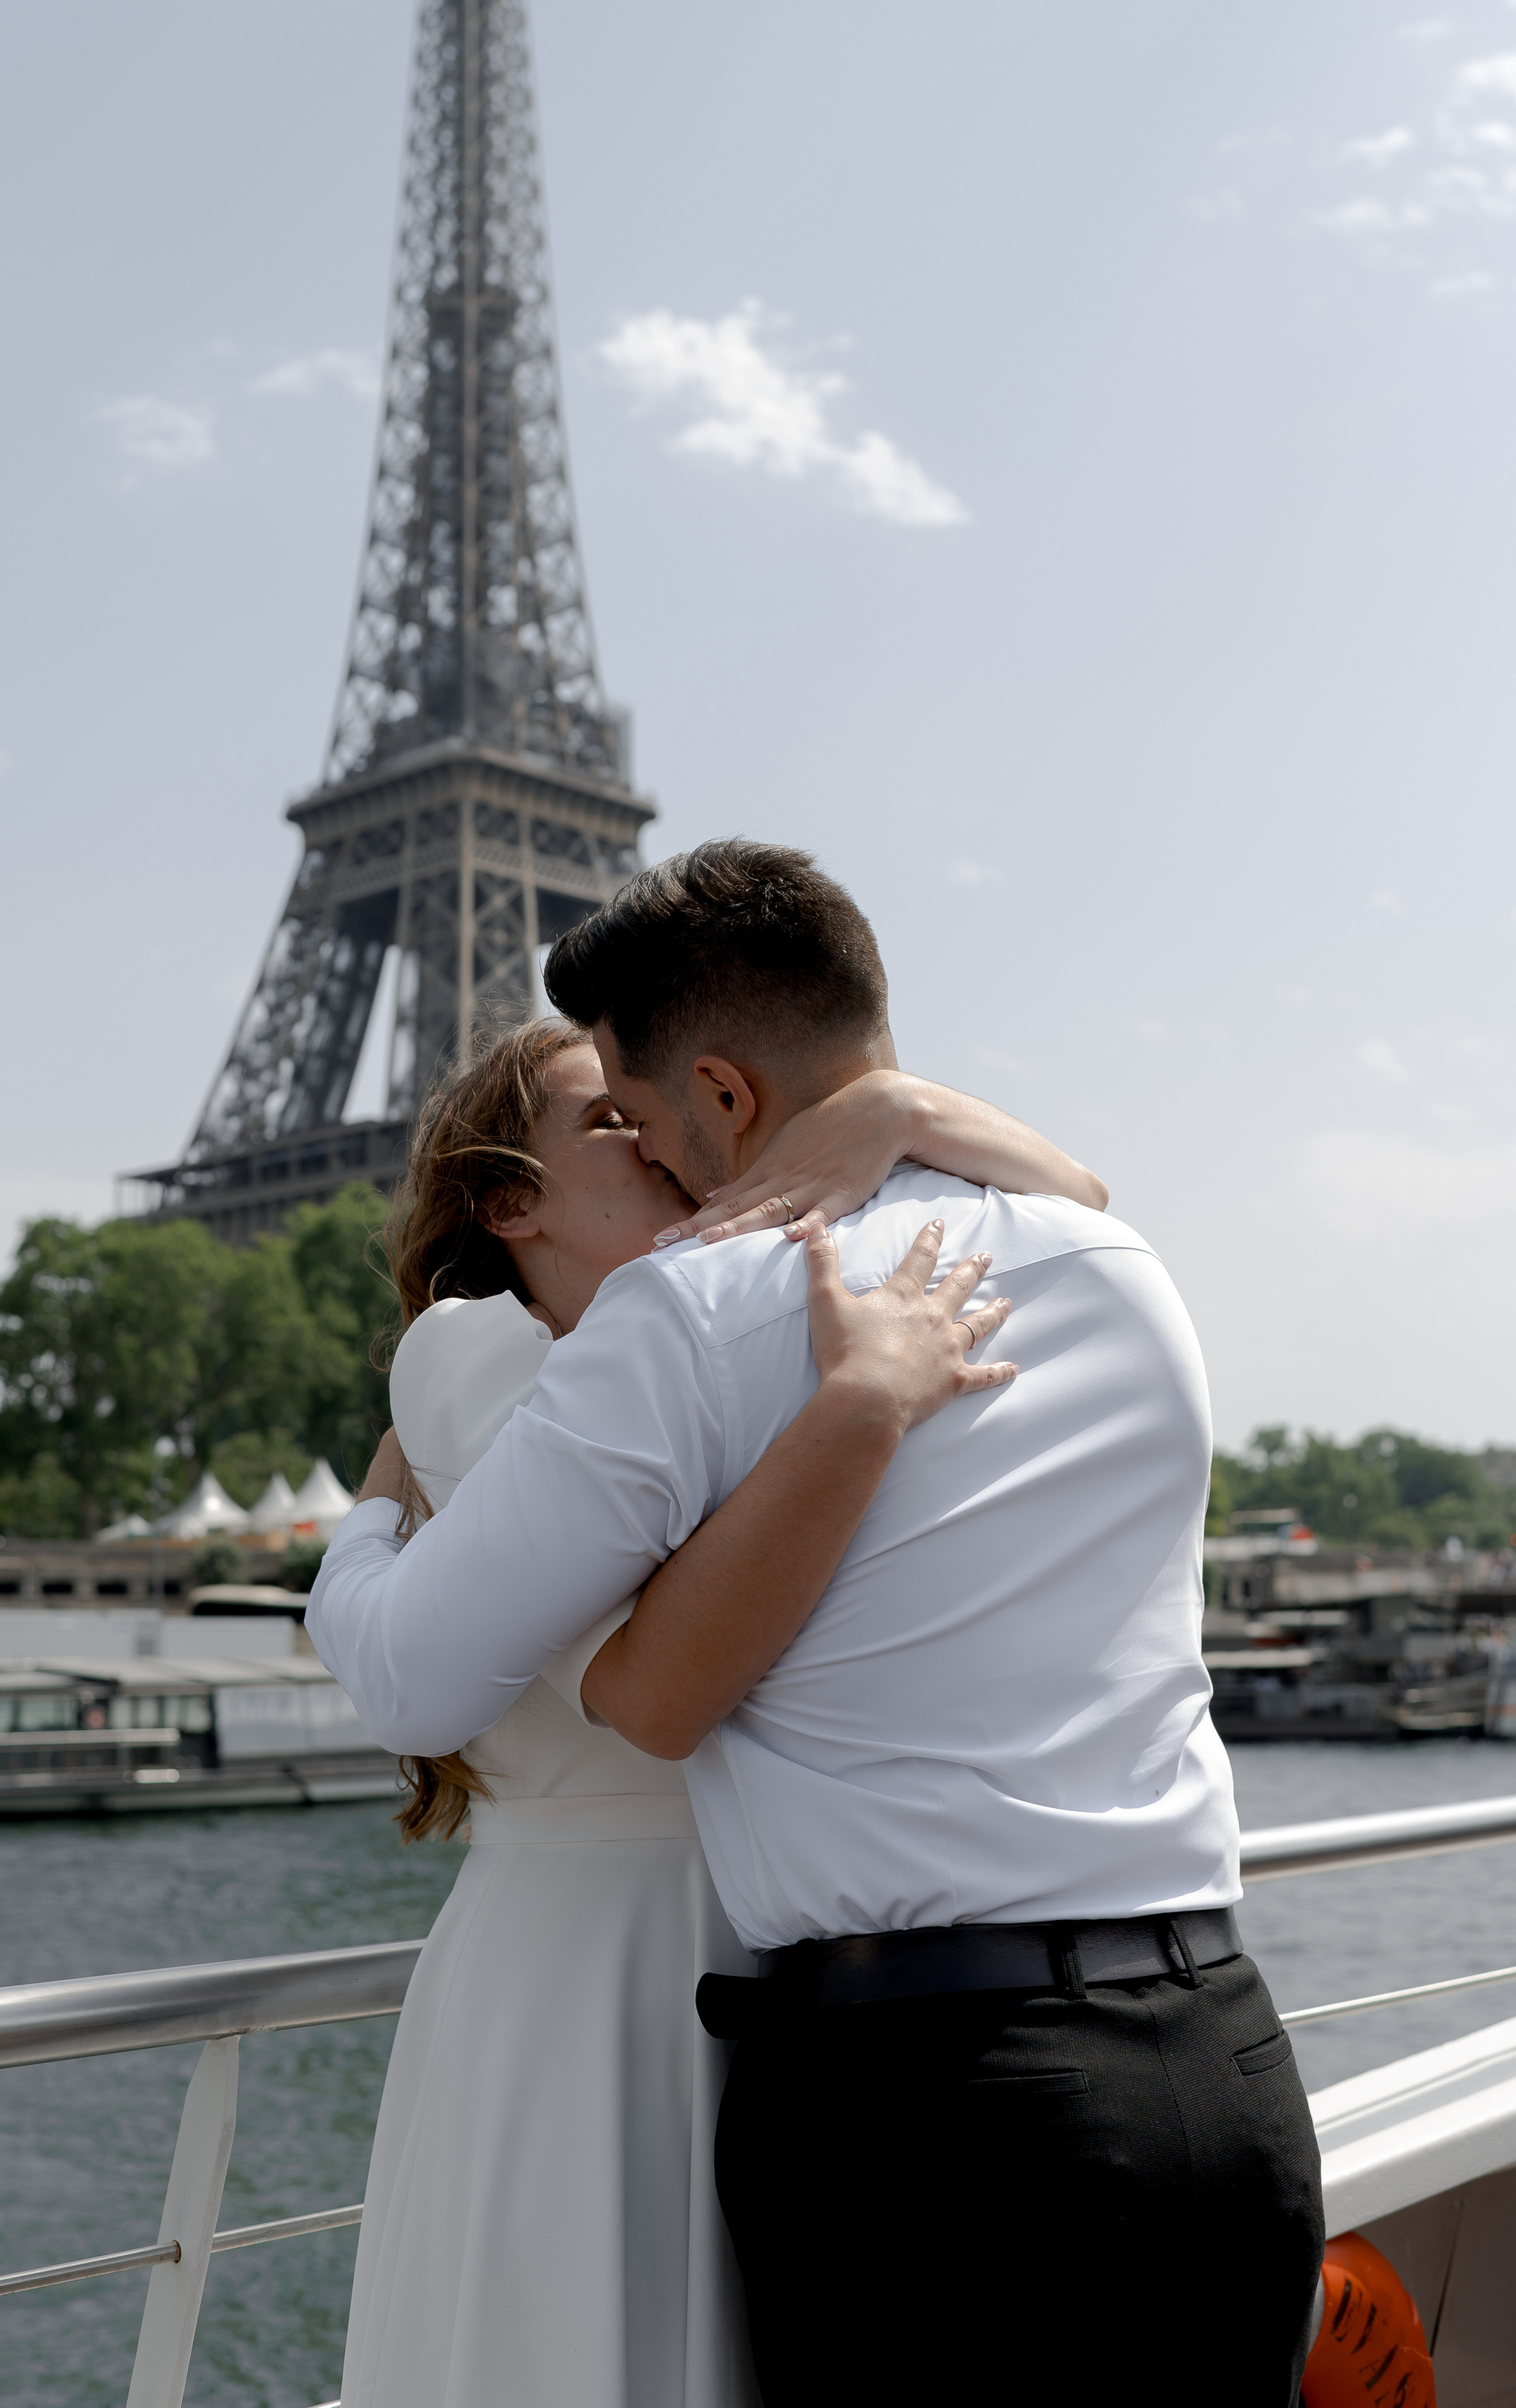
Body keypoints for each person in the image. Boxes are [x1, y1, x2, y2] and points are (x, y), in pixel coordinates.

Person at [314, 839, 1326, 2406]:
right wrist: (901, 1116)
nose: (656, 1160)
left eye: (645, 1115)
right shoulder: (1115, 1264)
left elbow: (617, 1699)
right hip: (1216, 2058)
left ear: (718, 1092)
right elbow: (1075, 1186)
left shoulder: (692, 1312)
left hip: (933, 2110)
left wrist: (374, 1510)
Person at [329, 1015, 1100, 2408]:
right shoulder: (471, 1349)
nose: (660, 1129)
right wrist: (359, 1544)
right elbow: (651, 1673)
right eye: (609, 1120)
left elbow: (1078, 1204)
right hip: (597, 1968)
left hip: (758, 1948)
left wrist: (890, 1110)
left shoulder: (718, 1355)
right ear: (510, 1201)